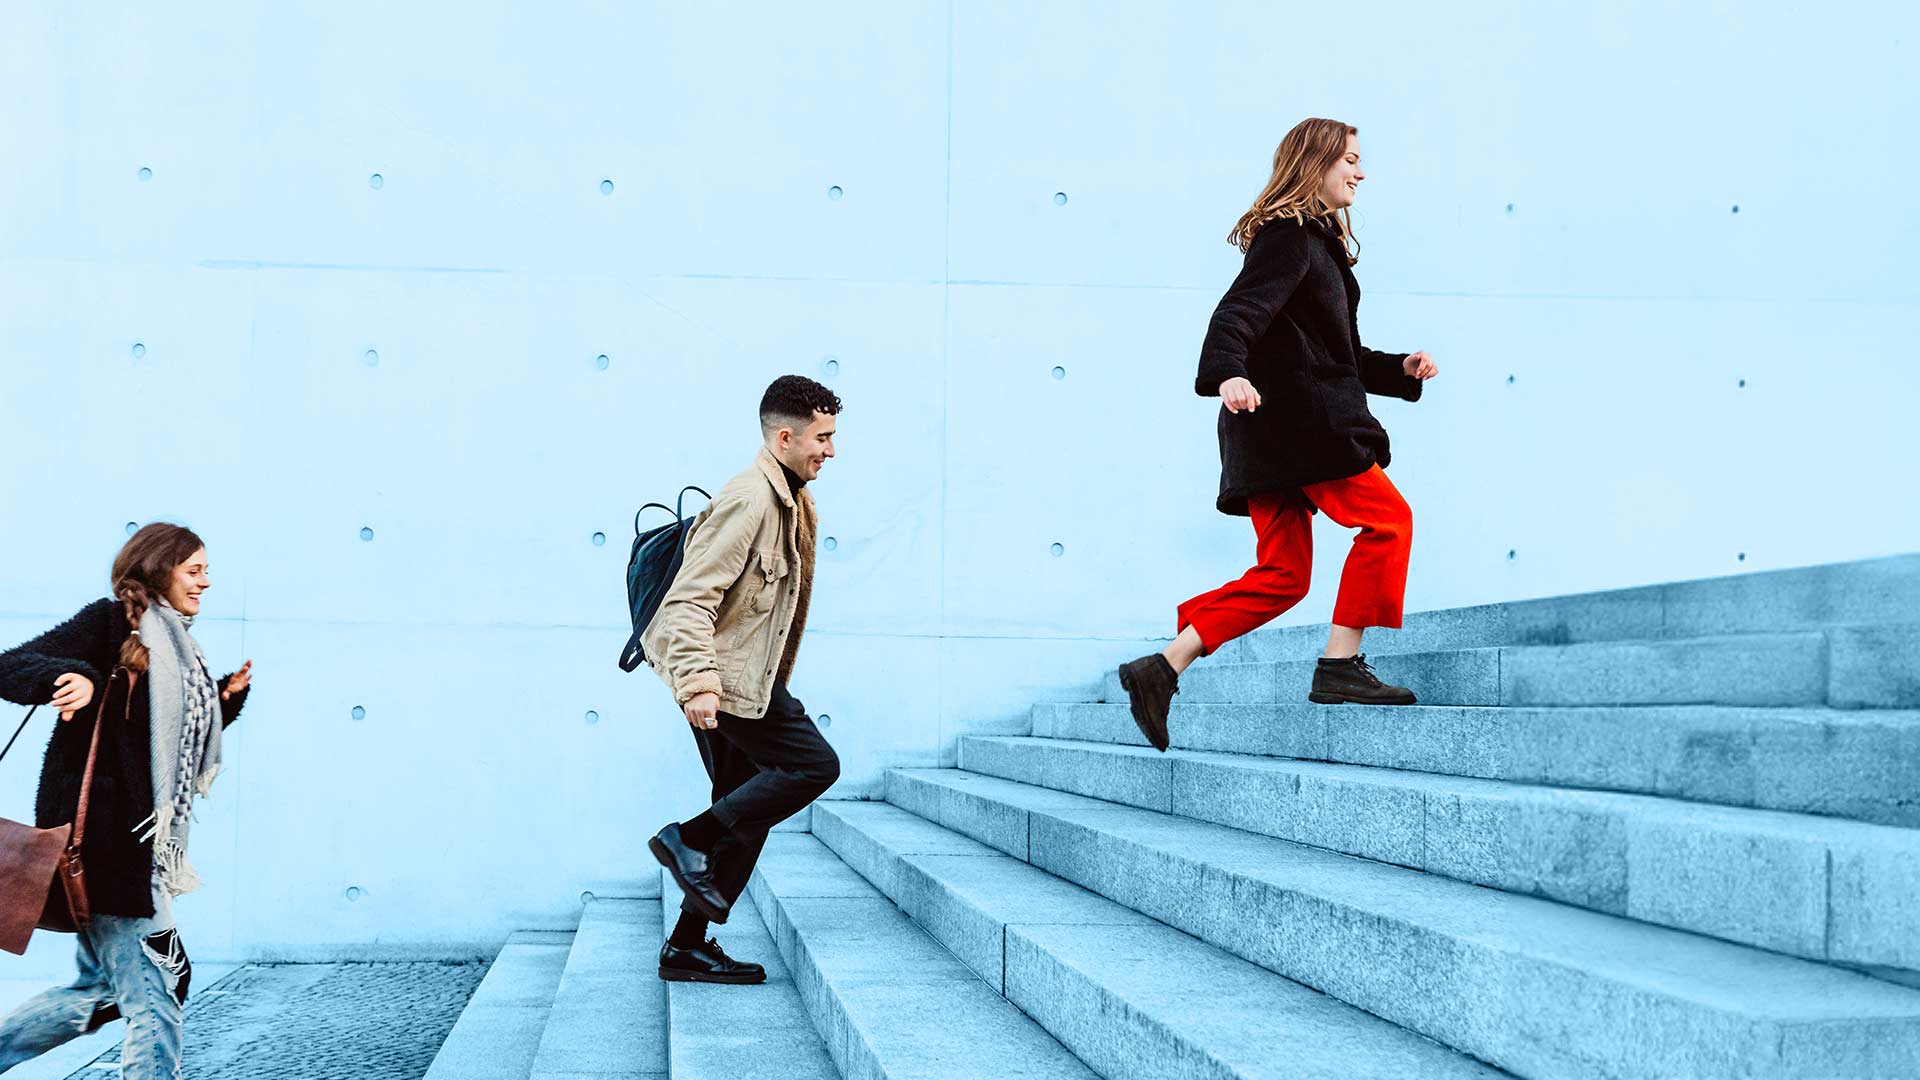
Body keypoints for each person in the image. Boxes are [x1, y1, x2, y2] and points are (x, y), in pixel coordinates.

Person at [1117, 118, 1441, 752]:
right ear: (1315, 163)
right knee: (1389, 520)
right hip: (1300, 428)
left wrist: (1398, 370)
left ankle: (1162, 668)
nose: (1361, 170)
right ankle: (1340, 665)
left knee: (1284, 575)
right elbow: (1238, 313)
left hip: (1272, 434)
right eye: (1349, 158)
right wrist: (1227, 374)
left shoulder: (1317, 247)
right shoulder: (1289, 237)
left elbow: (1339, 354)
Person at [0, 523, 254, 1080]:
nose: (207, 582)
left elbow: (153, 739)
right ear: (159, 569)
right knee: (157, 992)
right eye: (195, 570)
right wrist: (73, 676)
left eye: (207, 570)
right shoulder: (106, 621)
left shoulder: (178, 643)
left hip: (138, 851)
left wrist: (221, 702)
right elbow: (10, 666)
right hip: (107, 850)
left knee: (100, 992)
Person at [641, 375, 843, 984]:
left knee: (745, 805)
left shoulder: (789, 497)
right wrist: (699, 682)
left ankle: (686, 946)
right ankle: (687, 839)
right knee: (814, 765)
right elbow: (688, 600)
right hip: (723, 681)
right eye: (822, 438)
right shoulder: (750, 499)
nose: (829, 451)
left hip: (744, 678)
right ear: (785, 436)